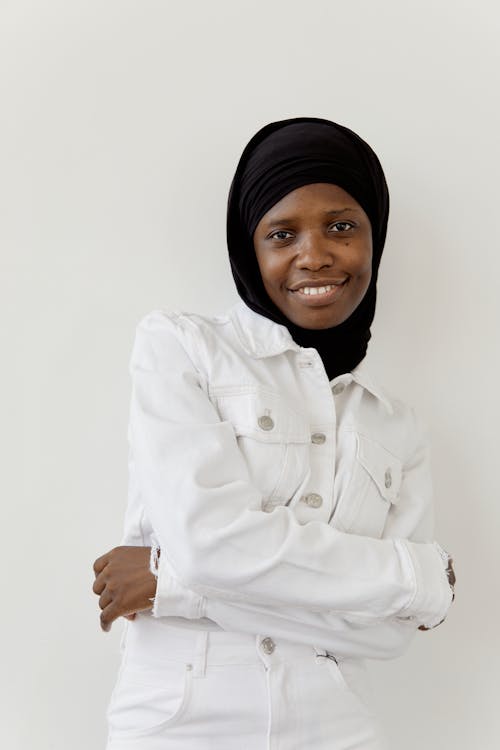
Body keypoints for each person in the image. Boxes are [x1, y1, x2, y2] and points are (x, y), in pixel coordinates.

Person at [92, 117, 456, 750]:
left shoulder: (396, 424)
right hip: (180, 721)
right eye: (281, 233)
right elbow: (212, 545)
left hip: (337, 726)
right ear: (248, 249)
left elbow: (388, 635)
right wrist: (413, 577)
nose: (314, 255)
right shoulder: (181, 347)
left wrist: (173, 587)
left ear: (376, 238)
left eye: (342, 226)